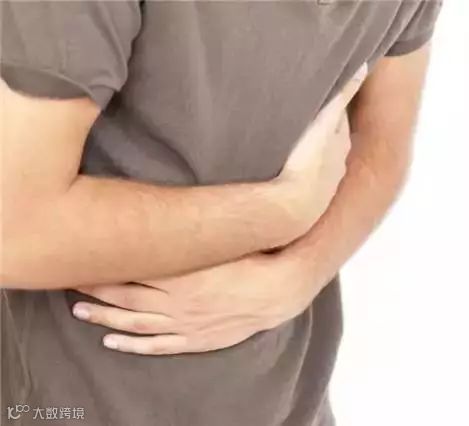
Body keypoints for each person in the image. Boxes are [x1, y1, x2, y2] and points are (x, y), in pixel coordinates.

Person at [0, 1, 443, 425]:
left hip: (289, 399)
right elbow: (15, 232)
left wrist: (297, 276)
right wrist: (280, 212)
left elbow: (381, 141)